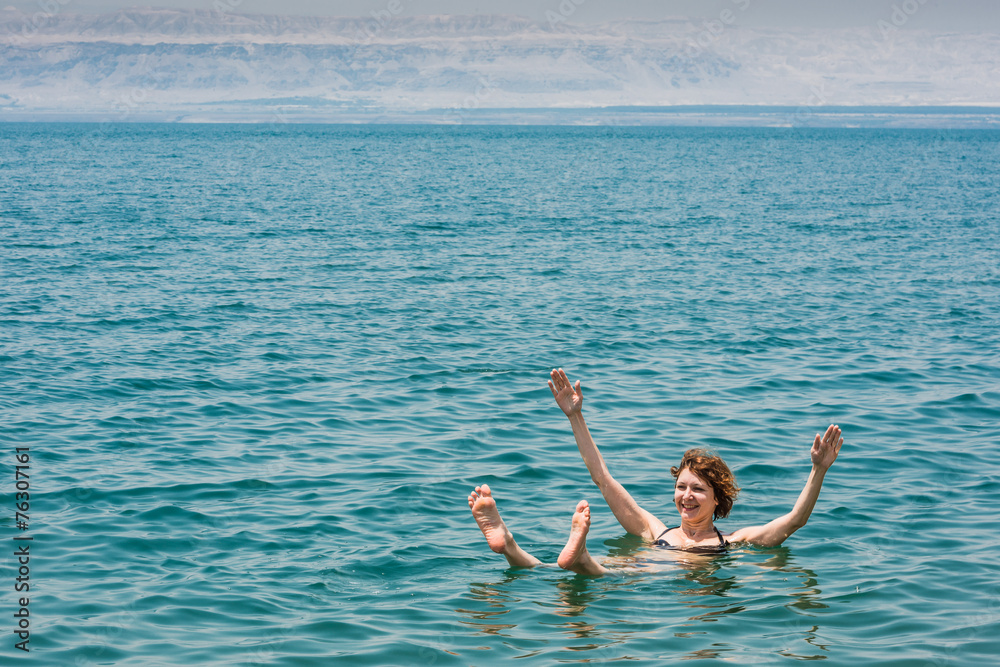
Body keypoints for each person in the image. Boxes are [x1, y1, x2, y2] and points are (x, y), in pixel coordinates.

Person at [469, 369, 844, 575]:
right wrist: (576, 416)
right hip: (645, 571)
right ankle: (509, 543)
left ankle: (569, 556)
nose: (686, 496)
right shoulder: (654, 529)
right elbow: (602, 477)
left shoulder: (737, 540)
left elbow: (794, 521)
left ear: (718, 499)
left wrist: (818, 470)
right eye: (681, 487)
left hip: (651, 577)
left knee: (569, 575)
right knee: (576, 573)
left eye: (698, 489)